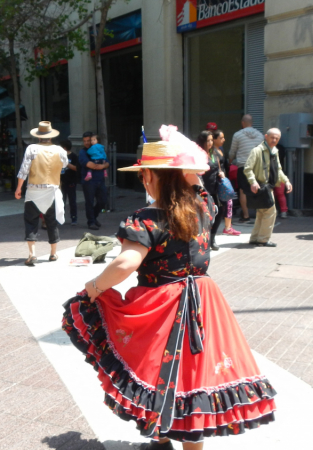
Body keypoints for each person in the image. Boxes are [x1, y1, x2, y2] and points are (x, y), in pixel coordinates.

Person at [63, 133, 276, 449]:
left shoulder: (146, 219)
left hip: (161, 304)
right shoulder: (206, 206)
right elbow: (197, 185)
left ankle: (160, 440)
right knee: (196, 376)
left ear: (149, 176)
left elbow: (125, 264)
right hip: (204, 300)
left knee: (158, 372)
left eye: (143, 175)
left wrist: (93, 288)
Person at [15, 121, 68, 266]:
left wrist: (19, 187)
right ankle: (53, 253)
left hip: (34, 190)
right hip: (52, 190)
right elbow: (64, 165)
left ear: (38, 136)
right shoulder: (60, 150)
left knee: (31, 221)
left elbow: (24, 170)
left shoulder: (32, 148)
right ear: (50, 136)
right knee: (51, 221)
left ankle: (32, 254)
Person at [243, 129, 292, 247]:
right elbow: (247, 168)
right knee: (270, 212)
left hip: (268, 187)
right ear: (266, 136)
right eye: (272, 137)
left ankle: (255, 238)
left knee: (262, 213)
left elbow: (278, 169)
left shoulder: (275, 151)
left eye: (277, 138)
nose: (274, 140)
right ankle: (263, 239)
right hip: (261, 186)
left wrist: (286, 181)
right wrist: (253, 182)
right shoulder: (257, 150)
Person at [229, 114, 264, 223]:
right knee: (258, 190)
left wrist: (229, 162)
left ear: (242, 123)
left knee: (243, 191)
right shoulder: (260, 135)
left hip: (243, 166)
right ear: (252, 123)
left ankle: (246, 216)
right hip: (257, 167)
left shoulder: (237, 135)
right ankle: (260, 216)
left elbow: (232, 152)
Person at [211, 129, 240, 238]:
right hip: (220, 181)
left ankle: (228, 226)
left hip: (224, 179)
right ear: (215, 139)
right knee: (227, 203)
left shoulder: (220, 149)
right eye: (221, 138)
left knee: (228, 203)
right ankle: (227, 227)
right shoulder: (214, 151)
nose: (224, 140)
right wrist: (220, 174)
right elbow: (217, 166)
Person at [79, 131, 109, 230]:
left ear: (93, 140)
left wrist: (103, 165)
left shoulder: (98, 148)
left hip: (100, 180)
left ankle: (94, 217)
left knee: (103, 200)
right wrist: (101, 166)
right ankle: (91, 222)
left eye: (89, 140)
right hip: (89, 181)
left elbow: (107, 162)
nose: (86, 143)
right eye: (85, 141)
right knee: (89, 202)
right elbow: (88, 164)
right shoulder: (83, 152)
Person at [60, 139, 79, 226]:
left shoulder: (73, 156)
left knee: (72, 200)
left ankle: (74, 217)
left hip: (71, 181)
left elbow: (76, 168)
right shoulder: (59, 156)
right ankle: (61, 218)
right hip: (61, 182)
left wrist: (67, 163)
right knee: (61, 201)